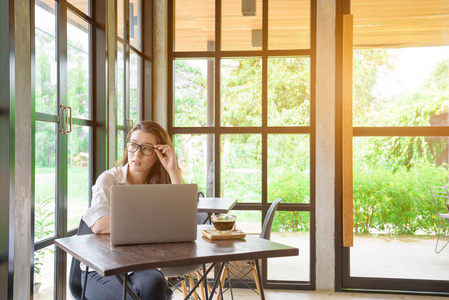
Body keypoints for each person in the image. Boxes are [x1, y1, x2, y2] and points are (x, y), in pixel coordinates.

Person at [81, 120, 181, 300]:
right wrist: (153, 225)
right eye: (133, 145)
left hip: (140, 266)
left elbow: (179, 219)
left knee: (156, 284)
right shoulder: (109, 179)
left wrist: (172, 170)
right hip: (101, 267)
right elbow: (100, 225)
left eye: (147, 148)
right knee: (130, 298)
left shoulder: (160, 186)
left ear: (158, 154)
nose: (137, 154)